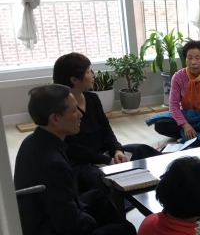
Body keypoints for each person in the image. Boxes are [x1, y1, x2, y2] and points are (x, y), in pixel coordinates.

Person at [14, 85, 137, 235]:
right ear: (55, 118)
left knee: (97, 197)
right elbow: (68, 224)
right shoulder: (53, 164)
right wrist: (91, 221)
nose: (80, 114)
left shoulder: (32, 141)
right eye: (74, 111)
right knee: (126, 230)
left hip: (44, 219)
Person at [52, 52, 159, 193]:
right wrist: (106, 160)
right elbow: (74, 149)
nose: (92, 75)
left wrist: (117, 150)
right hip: (85, 163)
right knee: (98, 179)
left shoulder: (92, 98)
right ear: (74, 79)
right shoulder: (62, 109)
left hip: (106, 154)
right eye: (88, 72)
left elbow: (106, 130)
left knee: (141, 149)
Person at [152, 40, 200, 141]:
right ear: (185, 60)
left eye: (197, 58)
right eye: (189, 58)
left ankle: (198, 133)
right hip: (186, 116)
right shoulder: (178, 77)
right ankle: (193, 132)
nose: (193, 62)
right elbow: (173, 105)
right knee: (160, 124)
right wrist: (185, 125)